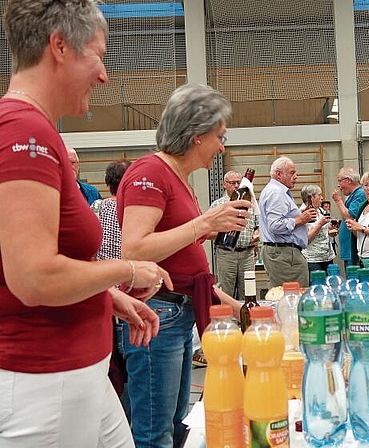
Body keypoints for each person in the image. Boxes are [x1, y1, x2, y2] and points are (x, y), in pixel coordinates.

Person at [0, 1, 168, 447]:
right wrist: (127, 271)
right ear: (60, 47)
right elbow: (33, 277)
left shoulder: (36, 131)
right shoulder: (24, 132)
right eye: (99, 55)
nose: (104, 75)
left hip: (77, 373)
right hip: (44, 382)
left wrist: (105, 295)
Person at [118, 83, 250, 448]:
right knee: (154, 430)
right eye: (219, 136)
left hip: (177, 312)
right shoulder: (152, 172)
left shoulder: (179, 179)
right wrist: (205, 224)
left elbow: (184, 260)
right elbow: (135, 247)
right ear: (196, 135)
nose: (222, 146)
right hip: (158, 312)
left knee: (175, 423)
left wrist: (233, 303)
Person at [93, 159, 133, 403]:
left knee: (113, 370)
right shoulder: (136, 209)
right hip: (130, 298)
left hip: (104, 297)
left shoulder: (95, 208)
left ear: (108, 184)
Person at [259, 156, 316, 288]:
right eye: (291, 173)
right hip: (283, 254)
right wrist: (301, 220)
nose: (296, 176)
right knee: (292, 296)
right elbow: (275, 225)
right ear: (278, 174)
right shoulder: (276, 193)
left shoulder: (275, 191)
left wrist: (300, 217)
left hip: (281, 252)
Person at [211, 170, 259, 300]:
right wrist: (223, 234)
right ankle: (228, 319)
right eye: (233, 183)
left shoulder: (251, 204)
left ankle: (246, 319)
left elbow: (258, 226)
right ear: (224, 184)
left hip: (247, 254)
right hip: (226, 254)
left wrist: (256, 235)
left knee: (248, 292)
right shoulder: (217, 205)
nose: (237, 186)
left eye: (239, 182)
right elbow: (207, 231)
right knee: (226, 293)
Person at [331, 166, 366, 268]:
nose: (338, 185)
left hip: (353, 248)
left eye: (340, 181)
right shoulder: (354, 195)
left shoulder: (360, 194)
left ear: (348, 180)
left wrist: (338, 201)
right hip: (348, 248)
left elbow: (350, 216)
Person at [300, 184, 334, 274]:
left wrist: (330, 230)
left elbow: (323, 230)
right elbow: (305, 240)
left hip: (327, 257)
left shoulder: (320, 210)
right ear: (312, 197)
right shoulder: (303, 214)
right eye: (319, 195)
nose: (321, 198)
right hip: (313, 260)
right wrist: (320, 224)